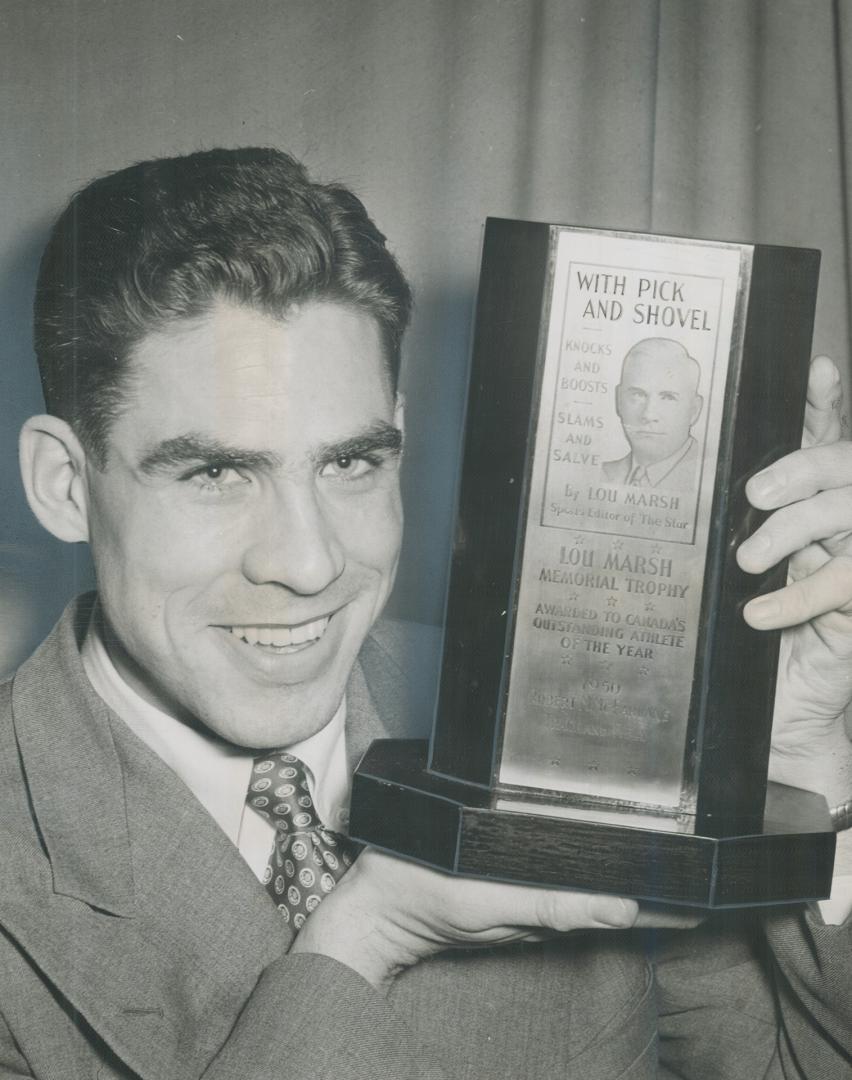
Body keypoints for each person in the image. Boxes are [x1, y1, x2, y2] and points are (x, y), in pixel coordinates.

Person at [0, 147, 849, 1079]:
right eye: (216, 473)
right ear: (65, 485)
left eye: (350, 463)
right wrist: (358, 944)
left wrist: (803, 761)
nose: (311, 561)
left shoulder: (550, 712)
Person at [602, 337, 703, 489]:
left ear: (694, 410)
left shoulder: (706, 478)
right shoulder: (602, 473)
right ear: (619, 400)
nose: (648, 415)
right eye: (637, 395)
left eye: (668, 398)